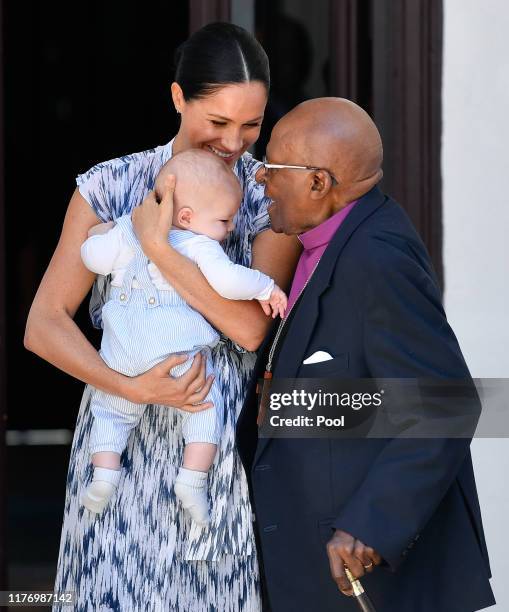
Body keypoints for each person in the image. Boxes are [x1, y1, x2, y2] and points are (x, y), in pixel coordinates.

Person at [24, 22, 300, 611]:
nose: (235, 143)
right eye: (218, 122)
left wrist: (158, 250)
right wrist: (128, 386)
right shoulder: (110, 185)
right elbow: (43, 323)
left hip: (210, 450)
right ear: (178, 98)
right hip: (114, 449)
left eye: (251, 125)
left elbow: (251, 329)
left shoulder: (265, 196)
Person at [236, 98, 495, 611]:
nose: (260, 179)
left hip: (374, 582)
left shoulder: (377, 257)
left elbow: (446, 404)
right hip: (311, 569)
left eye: (272, 167)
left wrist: (370, 524)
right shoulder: (323, 242)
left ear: (318, 182)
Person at [80, 149, 287, 523]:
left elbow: (93, 259)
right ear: (188, 217)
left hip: (121, 351)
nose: (229, 229)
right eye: (224, 220)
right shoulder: (200, 244)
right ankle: (192, 481)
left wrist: (100, 233)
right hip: (174, 351)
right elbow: (229, 281)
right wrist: (266, 288)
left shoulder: (129, 227)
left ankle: (104, 475)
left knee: (109, 411)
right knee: (205, 408)